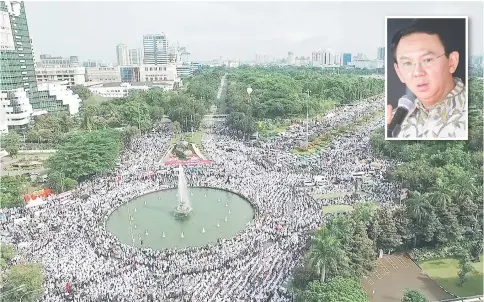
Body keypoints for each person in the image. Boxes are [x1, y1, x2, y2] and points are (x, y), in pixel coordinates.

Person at [387, 19, 467, 139]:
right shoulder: (394, 123)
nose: (418, 72)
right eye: (408, 63)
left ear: (452, 62)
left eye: (427, 60)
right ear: (399, 72)